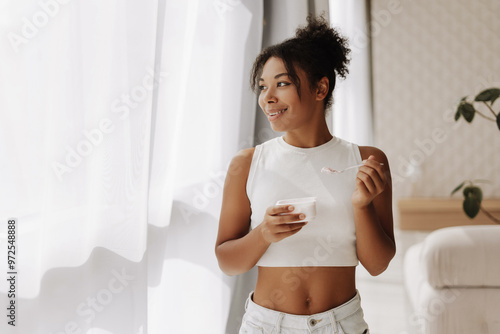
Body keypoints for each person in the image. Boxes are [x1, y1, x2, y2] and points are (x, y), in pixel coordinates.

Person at [215, 15, 395, 334]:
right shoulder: (247, 164)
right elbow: (228, 262)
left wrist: (361, 205)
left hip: (342, 325)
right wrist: (264, 234)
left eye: (282, 83)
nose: (267, 97)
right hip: (265, 325)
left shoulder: (366, 160)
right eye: (262, 87)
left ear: (320, 88)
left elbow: (378, 264)